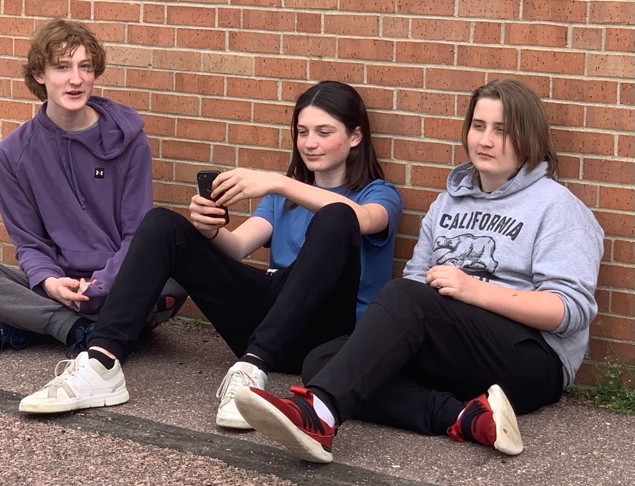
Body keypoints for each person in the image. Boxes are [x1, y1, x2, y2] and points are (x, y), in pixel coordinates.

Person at [234, 79, 605, 462]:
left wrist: (475, 291)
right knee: (323, 360)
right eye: (478, 126)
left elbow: (570, 311)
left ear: (528, 137)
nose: (486, 140)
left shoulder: (557, 207)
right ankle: (467, 417)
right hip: (455, 350)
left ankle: (320, 415)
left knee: (401, 299)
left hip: (531, 363)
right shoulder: (448, 203)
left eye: (502, 131)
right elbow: (415, 282)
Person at [18, 80, 404, 431]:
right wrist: (209, 230)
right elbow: (237, 249)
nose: (309, 143)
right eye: (302, 132)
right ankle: (101, 362)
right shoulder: (280, 200)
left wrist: (281, 182)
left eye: (324, 132)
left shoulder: (379, 194)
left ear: (355, 137)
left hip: (328, 333)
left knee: (335, 218)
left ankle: (253, 370)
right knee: (162, 224)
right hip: (268, 317)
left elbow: (359, 219)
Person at [0, 19, 186, 357]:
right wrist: (51, 282)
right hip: (54, 284)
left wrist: (100, 286)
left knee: (176, 283)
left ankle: (24, 325)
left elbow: (136, 235)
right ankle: (80, 330)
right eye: (62, 67)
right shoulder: (14, 153)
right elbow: (29, 242)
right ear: (40, 74)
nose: (76, 79)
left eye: (85, 67)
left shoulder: (129, 140)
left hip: (119, 280)